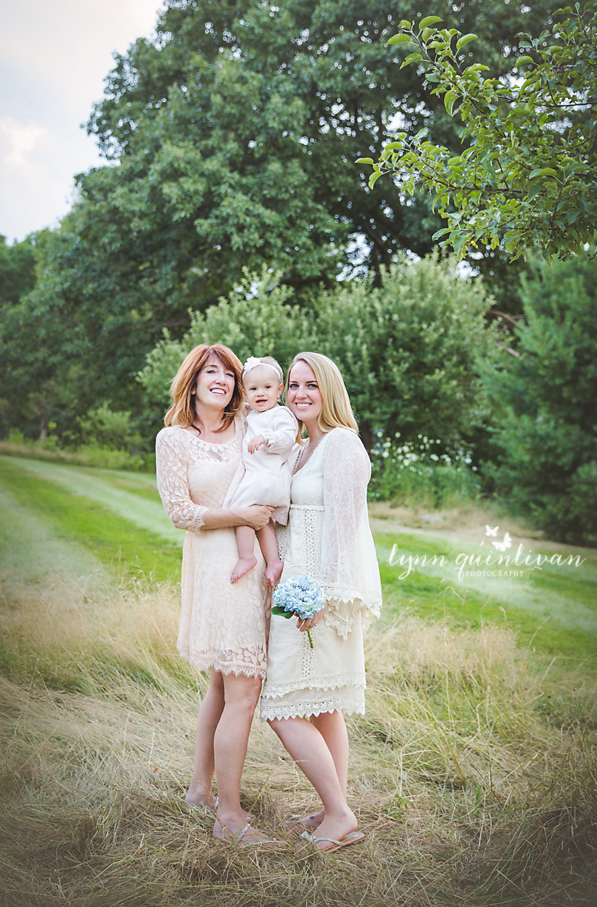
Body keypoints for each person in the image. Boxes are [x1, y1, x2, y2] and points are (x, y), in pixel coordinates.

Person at [260, 352, 382, 852]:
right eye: (293, 385)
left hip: (321, 596)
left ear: (329, 390)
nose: (300, 393)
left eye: (311, 384)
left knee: (281, 705)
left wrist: (322, 598)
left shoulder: (343, 446)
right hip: (293, 589)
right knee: (325, 706)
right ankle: (334, 805)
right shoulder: (300, 450)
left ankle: (340, 814)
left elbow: (344, 527)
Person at [155, 343, 276, 846]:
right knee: (242, 689)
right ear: (194, 380)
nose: (222, 380)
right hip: (215, 569)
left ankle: (199, 790)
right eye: (212, 372)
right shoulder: (173, 439)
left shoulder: (249, 425)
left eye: (229, 374)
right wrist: (243, 517)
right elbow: (180, 511)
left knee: (225, 687)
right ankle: (229, 814)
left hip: (253, 569)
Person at [224, 355, 297, 586]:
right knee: (261, 520)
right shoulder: (253, 413)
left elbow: (288, 437)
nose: (261, 393)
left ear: (280, 390)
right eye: (253, 389)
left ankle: (247, 557)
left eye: (267, 387)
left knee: (240, 512)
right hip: (263, 480)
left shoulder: (281, 413)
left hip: (267, 478)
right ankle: (273, 560)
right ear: (245, 394)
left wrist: (266, 438)